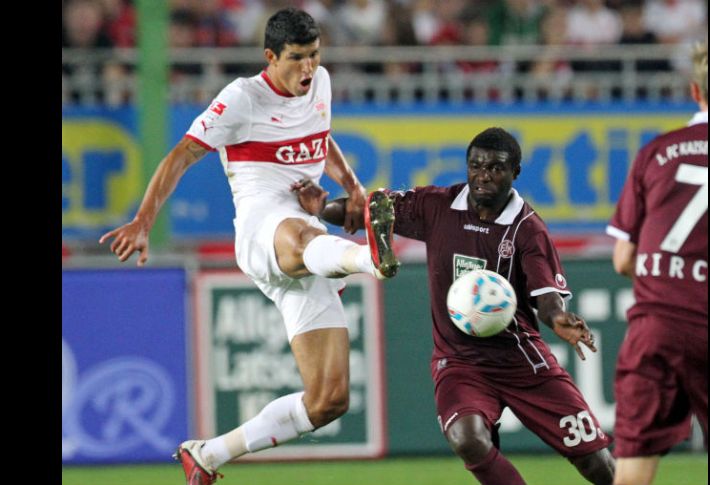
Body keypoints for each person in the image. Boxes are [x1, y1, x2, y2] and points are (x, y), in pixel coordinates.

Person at [98, 8, 399, 484]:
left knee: (329, 400)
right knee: (302, 235)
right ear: (270, 56)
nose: (308, 68)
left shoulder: (320, 83)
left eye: (314, 56)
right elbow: (182, 155)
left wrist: (353, 185)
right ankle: (370, 259)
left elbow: (321, 134)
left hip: (307, 248)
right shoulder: (242, 98)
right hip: (264, 230)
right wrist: (143, 219)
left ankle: (210, 454)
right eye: (297, 58)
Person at [294, 127, 616, 485]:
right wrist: (322, 208)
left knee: (596, 462)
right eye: (476, 166)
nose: (484, 176)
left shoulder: (528, 229)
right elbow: (368, 209)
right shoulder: (437, 206)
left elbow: (547, 301)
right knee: (466, 437)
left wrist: (559, 319)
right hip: (460, 363)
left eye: (495, 168)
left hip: (522, 363)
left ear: (516, 172)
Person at [605, 41, 707, 485]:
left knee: (632, 471)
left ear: (694, 91)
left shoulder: (656, 152)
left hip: (655, 326)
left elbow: (623, 257)